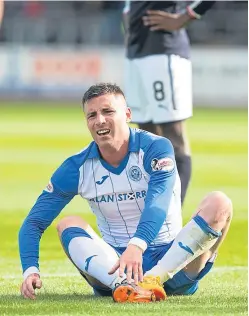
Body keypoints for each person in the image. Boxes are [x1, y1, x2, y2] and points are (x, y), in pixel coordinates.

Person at [19, 83, 232, 302]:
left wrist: (137, 246)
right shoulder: (76, 167)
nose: (99, 120)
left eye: (108, 111)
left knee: (220, 203)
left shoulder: (156, 148)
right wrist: (30, 270)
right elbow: (34, 222)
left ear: (127, 114)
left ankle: (152, 281)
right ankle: (126, 287)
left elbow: (157, 201)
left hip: (172, 261)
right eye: (92, 115)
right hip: (114, 268)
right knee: (67, 223)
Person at [123, 1, 216, 204]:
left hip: (163, 50)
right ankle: (153, 215)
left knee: (173, 138)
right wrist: (128, 16)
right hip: (135, 52)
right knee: (148, 140)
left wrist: (187, 15)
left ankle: (170, 218)